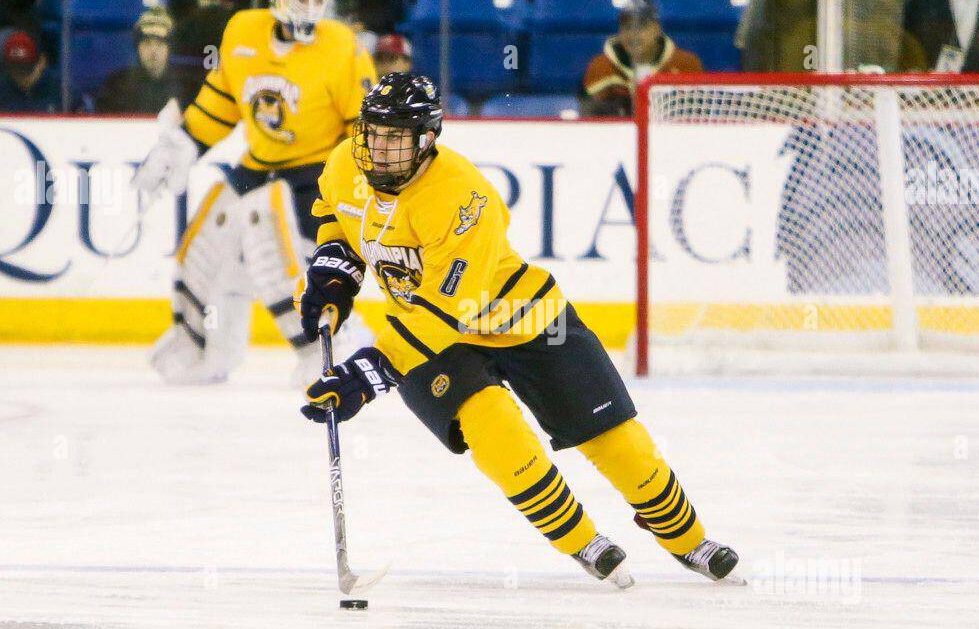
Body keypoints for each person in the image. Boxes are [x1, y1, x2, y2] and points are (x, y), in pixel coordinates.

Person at [295, 72, 740, 586]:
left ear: (428, 138)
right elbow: (336, 215)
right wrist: (334, 272)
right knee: (496, 431)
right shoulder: (343, 165)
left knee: (616, 440)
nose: (379, 148)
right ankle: (582, 541)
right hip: (430, 338)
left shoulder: (463, 198)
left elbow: (448, 308)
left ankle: (689, 540)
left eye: (395, 137)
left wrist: (371, 371)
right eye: (373, 133)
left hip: (520, 319)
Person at [133, 0, 376, 386]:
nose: (310, 9)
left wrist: (352, 183)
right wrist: (184, 143)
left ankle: (327, 348)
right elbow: (223, 99)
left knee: (276, 257)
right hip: (257, 164)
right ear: (278, 0)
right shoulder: (244, 30)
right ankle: (201, 346)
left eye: (318, 1)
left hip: (312, 173)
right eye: (301, 0)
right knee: (204, 246)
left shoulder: (341, 45)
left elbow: (363, 125)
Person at [581, 0, 702, 117]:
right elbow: (590, 117)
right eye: (627, 28)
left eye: (641, 27)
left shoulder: (685, 64)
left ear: (657, 29)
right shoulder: (601, 67)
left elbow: (698, 112)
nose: (633, 34)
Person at [95, 7, 179, 114]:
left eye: (160, 43)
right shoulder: (118, 86)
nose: (153, 50)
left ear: (169, 48)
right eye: (147, 43)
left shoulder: (184, 86)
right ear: (137, 48)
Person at [0, 28, 58, 112]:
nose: (19, 76)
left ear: (41, 62)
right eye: (14, 69)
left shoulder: (63, 94)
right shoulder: (2, 92)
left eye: (25, 69)